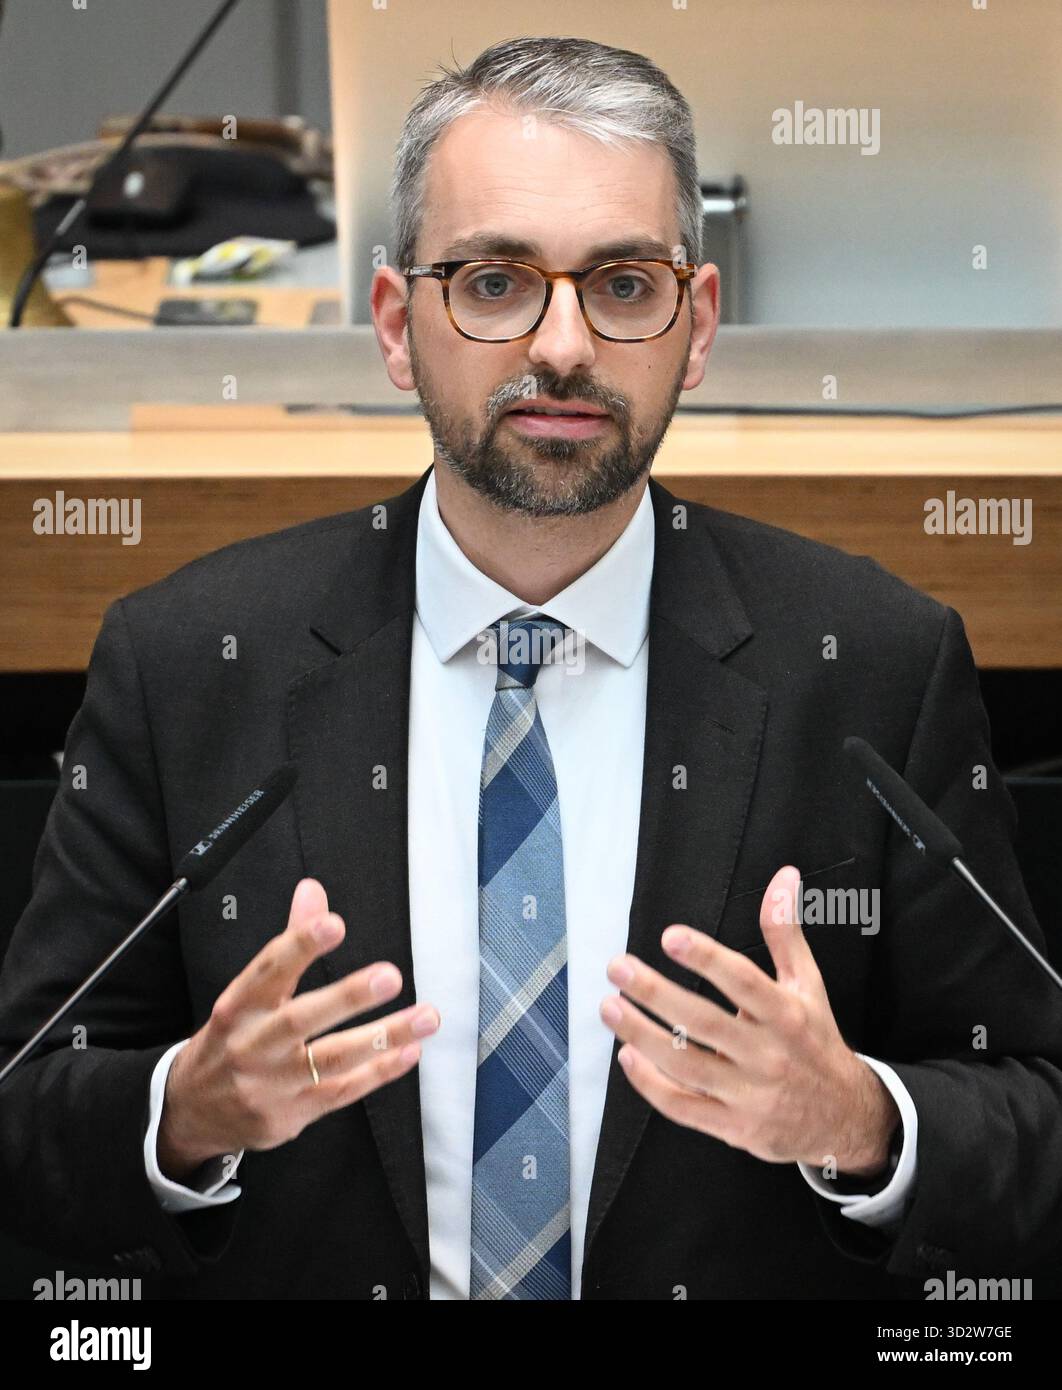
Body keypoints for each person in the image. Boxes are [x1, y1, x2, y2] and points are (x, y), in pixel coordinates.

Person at [2, 35, 1061, 1301]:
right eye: (495, 282)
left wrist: (862, 1125)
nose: (562, 345)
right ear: (397, 325)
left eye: (622, 285)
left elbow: (1032, 1112)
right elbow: (32, 1113)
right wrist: (184, 1110)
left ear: (698, 325)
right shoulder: (182, 663)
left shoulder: (879, 663)